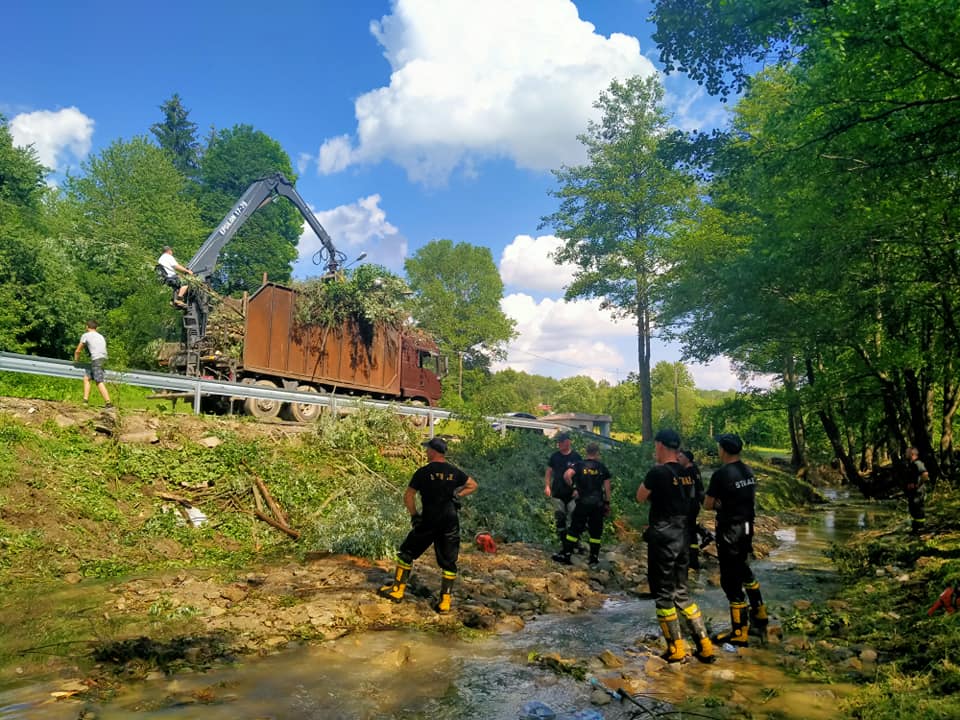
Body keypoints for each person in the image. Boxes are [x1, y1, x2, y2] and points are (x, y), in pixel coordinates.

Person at [636, 429, 714, 664]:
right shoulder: (688, 472)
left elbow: (640, 496)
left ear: (660, 445)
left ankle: (676, 648)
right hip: (684, 537)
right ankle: (705, 645)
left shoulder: (657, 472)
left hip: (663, 537)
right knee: (682, 591)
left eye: (655, 445)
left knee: (663, 594)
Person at [378, 437, 478, 613]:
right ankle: (445, 602)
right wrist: (458, 495)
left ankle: (397, 590)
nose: (425, 452)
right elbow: (472, 485)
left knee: (407, 552)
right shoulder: (454, 472)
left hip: (430, 518)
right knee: (449, 561)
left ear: (433, 451)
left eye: (427, 449)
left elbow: (408, 496)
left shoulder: (423, 472)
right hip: (450, 519)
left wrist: (414, 516)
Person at [704, 433, 767, 645]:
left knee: (730, 578)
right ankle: (760, 613)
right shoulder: (747, 470)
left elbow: (708, 504)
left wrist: (721, 504)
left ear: (723, 449)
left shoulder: (721, 475)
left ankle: (739, 632)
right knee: (743, 568)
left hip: (730, 528)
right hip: (748, 525)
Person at [552, 443, 611, 567]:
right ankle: (594, 558)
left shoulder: (579, 465)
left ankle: (567, 554)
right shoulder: (601, 467)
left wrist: (573, 486)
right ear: (597, 453)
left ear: (586, 452)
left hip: (583, 502)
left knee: (574, 529)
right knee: (596, 532)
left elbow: (567, 475)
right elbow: (607, 486)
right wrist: (607, 502)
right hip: (597, 504)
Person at [544, 432, 583, 553]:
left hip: (572, 493)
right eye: (559, 442)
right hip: (557, 492)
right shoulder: (555, 456)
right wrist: (547, 486)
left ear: (568, 442)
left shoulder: (576, 457)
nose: (560, 444)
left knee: (575, 517)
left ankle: (575, 542)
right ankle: (563, 543)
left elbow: (581, 475)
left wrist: (578, 489)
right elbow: (549, 471)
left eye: (562, 442)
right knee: (560, 518)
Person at [73, 320, 112, 409]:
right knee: (87, 378)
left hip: (96, 359)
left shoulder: (86, 335)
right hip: (103, 358)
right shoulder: (101, 336)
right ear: (96, 328)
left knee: (98, 381)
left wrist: (76, 361)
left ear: (87, 327)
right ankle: (85, 401)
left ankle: (108, 403)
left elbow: (78, 350)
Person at [678, 450, 706, 572]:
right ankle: (693, 558)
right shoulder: (695, 469)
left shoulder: (687, 472)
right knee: (691, 529)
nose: (678, 458)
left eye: (681, 456)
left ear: (688, 459)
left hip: (689, 505)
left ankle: (692, 560)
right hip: (694, 505)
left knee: (688, 531)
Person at [901, 447, 928, 535]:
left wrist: (917, 485)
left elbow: (925, 474)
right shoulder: (911, 464)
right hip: (912, 492)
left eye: (907, 452)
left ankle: (920, 529)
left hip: (918, 492)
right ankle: (915, 529)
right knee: (913, 509)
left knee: (918, 510)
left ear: (912, 454)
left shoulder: (918, 463)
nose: (905, 454)